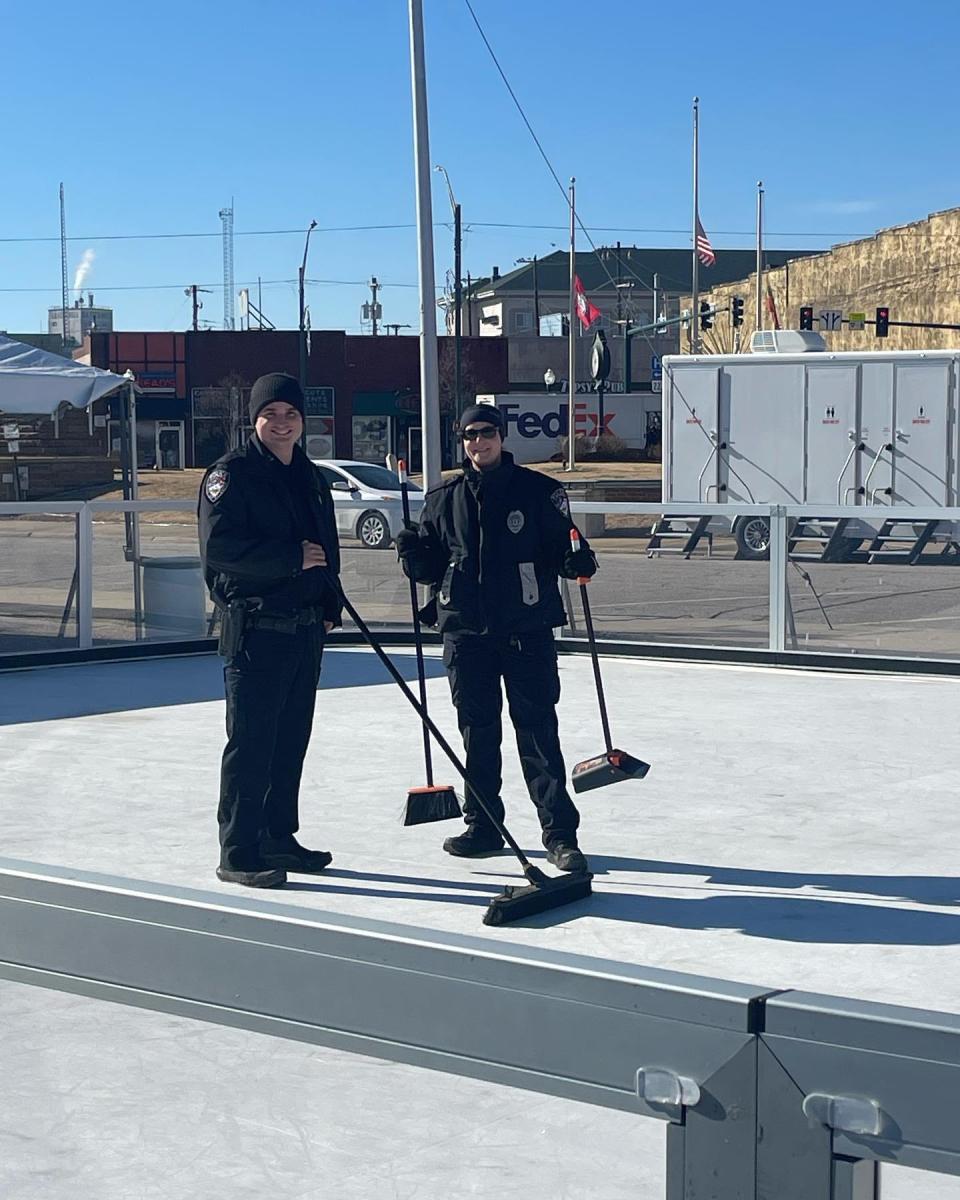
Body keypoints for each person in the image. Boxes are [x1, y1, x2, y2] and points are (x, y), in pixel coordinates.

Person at [395, 404, 597, 873]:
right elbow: (429, 566)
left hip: (525, 631)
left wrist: (577, 560)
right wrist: (412, 553)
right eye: (469, 435)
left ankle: (560, 835)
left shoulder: (539, 492)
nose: (478, 442)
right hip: (467, 634)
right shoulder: (444, 498)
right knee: (477, 736)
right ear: (461, 441)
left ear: (501, 437)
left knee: (538, 734)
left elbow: (567, 546)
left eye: (486, 433)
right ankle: (484, 827)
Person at [198, 372, 342, 888]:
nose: (281, 424)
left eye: (291, 415)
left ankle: (279, 837)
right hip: (257, 632)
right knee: (252, 743)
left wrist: (330, 602)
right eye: (271, 415)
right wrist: (289, 559)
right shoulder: (231, 475)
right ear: (254, 419)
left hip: (304, 632)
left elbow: (325, 547)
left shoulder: (309, 475)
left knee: (289, 742)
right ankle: (238, 851)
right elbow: (220, 551)